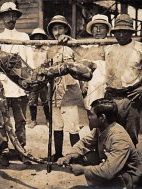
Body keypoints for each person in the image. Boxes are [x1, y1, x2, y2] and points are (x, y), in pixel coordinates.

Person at [57, 98, 140, 188]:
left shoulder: (119, 138)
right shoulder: (101, 128)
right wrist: (69, 156)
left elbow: (109, 171)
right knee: (88, 157)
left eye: (92, 114)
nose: (89, 117)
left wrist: (83, 170)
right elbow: (84, 143)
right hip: (115, 172)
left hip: (126, 180)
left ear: (102, 118)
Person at [0, 1, 33, 166]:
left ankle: (21, 149)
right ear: (1, 18)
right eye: (7, 15)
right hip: (2, 87)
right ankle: (4, 150)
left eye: (13, 15)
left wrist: (29, 84)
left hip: (20, 87)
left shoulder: (24, 37)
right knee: (0, 121)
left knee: (20, 120)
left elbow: (29, 62)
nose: (10, 18)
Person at [104, 14, 142, 146]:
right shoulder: (108, 49)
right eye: (117, 31)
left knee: (130, 135)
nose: (121, 35)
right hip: (111, 96)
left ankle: (130, 165)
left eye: (124, 31)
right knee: (111, 134)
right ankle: (113, 164)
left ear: (131, 32)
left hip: (131, 97)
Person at [46, 15, 84, 162]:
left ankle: (76, 155)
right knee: (57, 124)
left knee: (73, 124)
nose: (57, 32)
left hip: (70, 89)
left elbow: (82, 65)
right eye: (54, 29)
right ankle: (58, 153)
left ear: (66, 29)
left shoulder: (72, 47)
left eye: (60, 28)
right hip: (55, 90)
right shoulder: (50, 49)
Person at [82, 14, 111, 110]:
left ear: (107, 30)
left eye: (101, 27)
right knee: (92, 109)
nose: (98, 30)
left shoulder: (112, 46)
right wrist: (84, 84)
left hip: (108, 83)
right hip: (92, 84)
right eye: (95, 27)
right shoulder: (87, 47)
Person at [28, 28, 50, 128]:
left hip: (43, 77)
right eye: (36, 37)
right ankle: (33, 120)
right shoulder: (30, 49)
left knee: (45, 100)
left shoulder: (46, 50)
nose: (38, 39)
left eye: (40, 37)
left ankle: (48, 119)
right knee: (32, 100)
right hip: (33, 78)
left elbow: (49, 63)